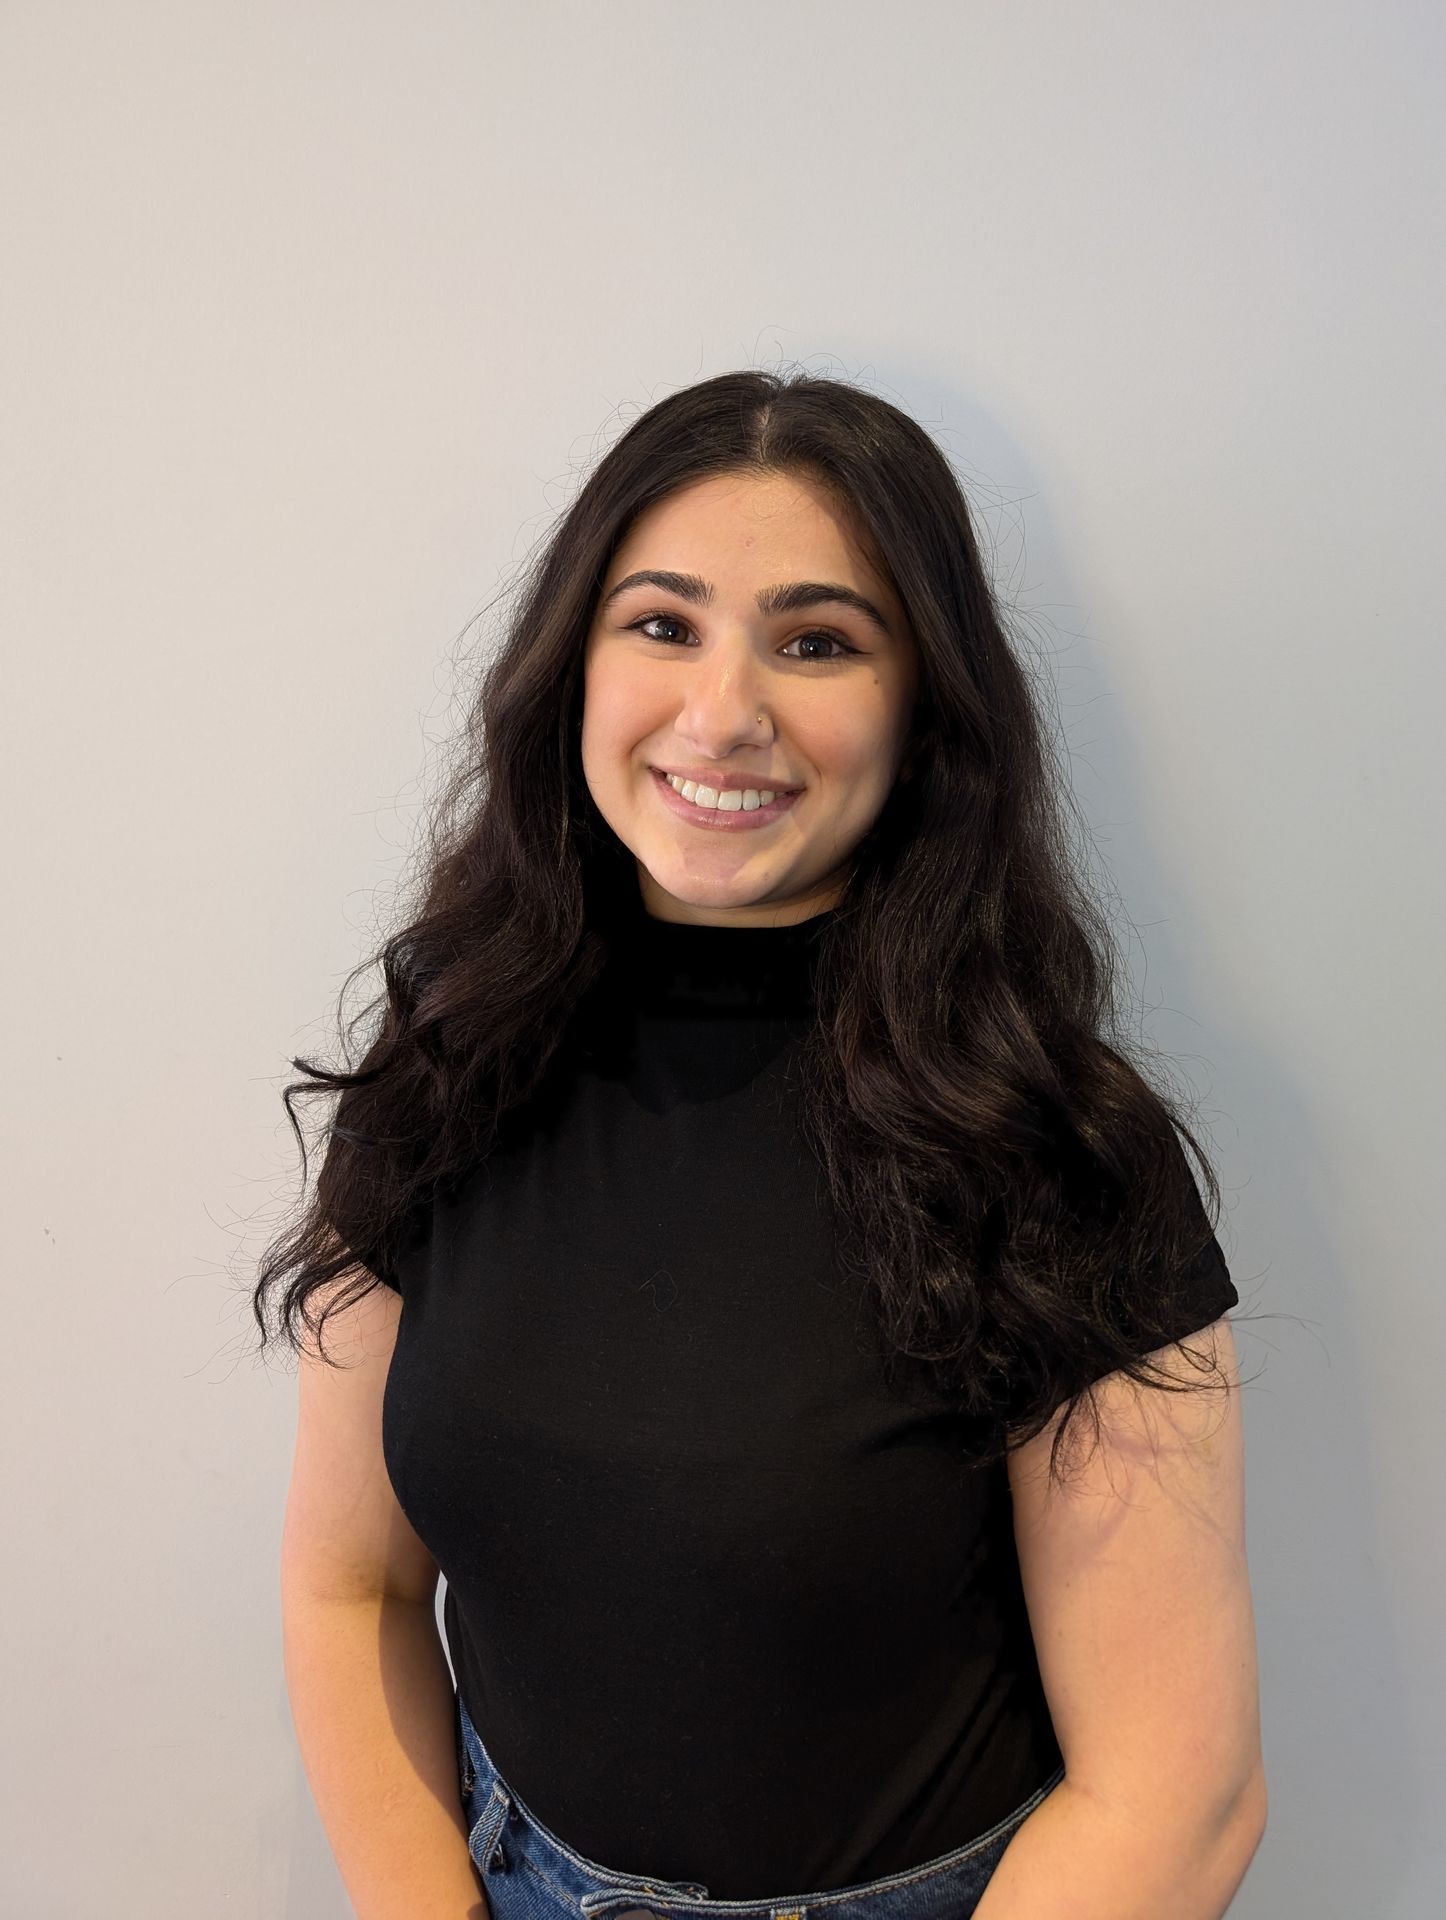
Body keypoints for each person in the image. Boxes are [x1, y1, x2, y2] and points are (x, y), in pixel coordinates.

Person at [256, 369, 1267, 1920]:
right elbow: (351, 1589)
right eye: (661, 624)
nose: (722, 713)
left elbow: (1178, 1794)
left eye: (817, 640)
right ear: (571, 669)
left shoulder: (1059, 1150)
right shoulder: (443, 1078)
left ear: (924, 707)